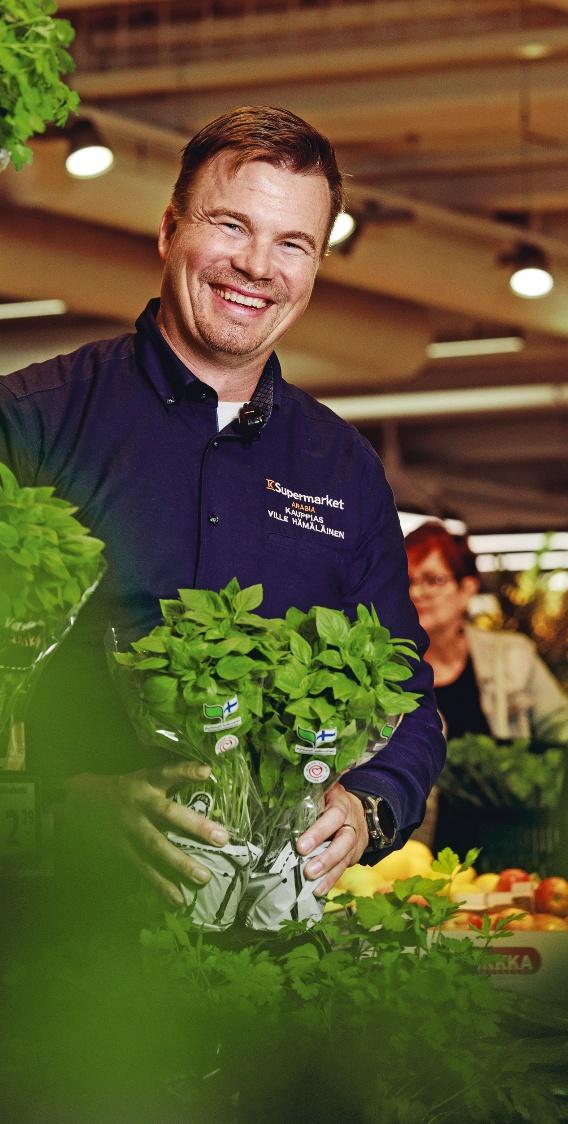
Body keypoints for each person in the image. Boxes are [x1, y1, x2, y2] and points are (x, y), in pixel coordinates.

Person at [0, 105, 445, 911]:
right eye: (231, 225)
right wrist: (67, 798)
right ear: (170, 230)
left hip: (267, 941)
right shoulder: (32, 424)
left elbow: (405, 693)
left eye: (293, 244)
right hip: (53, 932)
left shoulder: (344, 469)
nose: (257, 266)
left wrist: (367, 805)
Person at [404, 521, 568, 743]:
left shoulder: (512, 655)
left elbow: (563, 727)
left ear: (467, 589)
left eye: (433, 580)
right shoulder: (380, 666)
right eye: (407, 581)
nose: (416, 592)